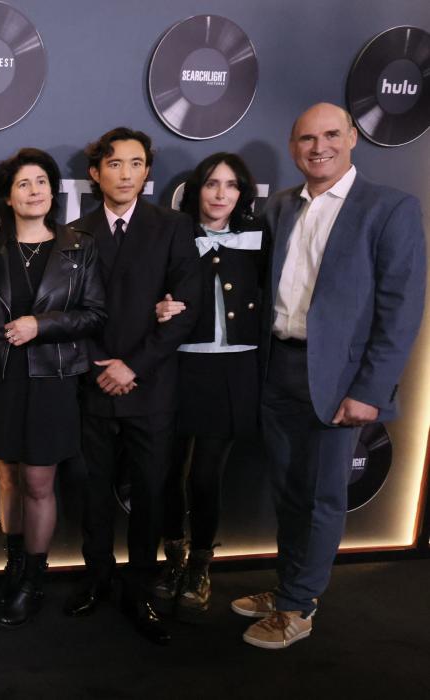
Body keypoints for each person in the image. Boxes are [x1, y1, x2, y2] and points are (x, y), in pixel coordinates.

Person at [231, 103, 424, 649]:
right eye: (307, 138)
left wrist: (370, 389)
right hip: (277, 368)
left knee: (320, 497)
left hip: (338, 380)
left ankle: (298, 606)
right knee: (290, 492)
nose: (319, 147)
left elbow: (401, 309)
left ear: (354, 138)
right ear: (294, 147)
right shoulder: (279, 208)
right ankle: (290, 585)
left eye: (331, 135)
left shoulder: (389, 208)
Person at [63, 127, 200, 646]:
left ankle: (140, 588)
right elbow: (69, 310)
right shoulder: (76, 231)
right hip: (93, 382)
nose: (125, 174)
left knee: (148, 494)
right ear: (96, 172)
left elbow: (184, 312)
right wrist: (103, 364)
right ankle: (97, 578)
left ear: (148, 171)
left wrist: (133, 366)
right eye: (114, 164)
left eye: (136, 163)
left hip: (151, 386)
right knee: (93, 492)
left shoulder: (173, 226)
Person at [0, 148, 105, 627]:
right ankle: (14, 565)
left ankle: (33, 578)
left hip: (53, 379)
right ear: (8, 197)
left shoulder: (78, 246)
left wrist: (40, 325)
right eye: (23, 184)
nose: (34, 191)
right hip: (1, 378)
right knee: (7, 477)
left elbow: (94, 313)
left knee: (37, 482)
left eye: (42, 182)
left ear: (55, 191)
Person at [149, 153, 264, 616]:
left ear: (242, 193)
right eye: (212, 184)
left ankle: (200, 564)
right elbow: (145, 290)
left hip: (234, 370)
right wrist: (155, 309)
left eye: (231, 185)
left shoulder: (261, 238)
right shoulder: (172, 236)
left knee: (205, 474)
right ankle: (172, 556)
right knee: (167, 471)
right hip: (179, 367)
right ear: (196, 189)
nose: (220, 194)